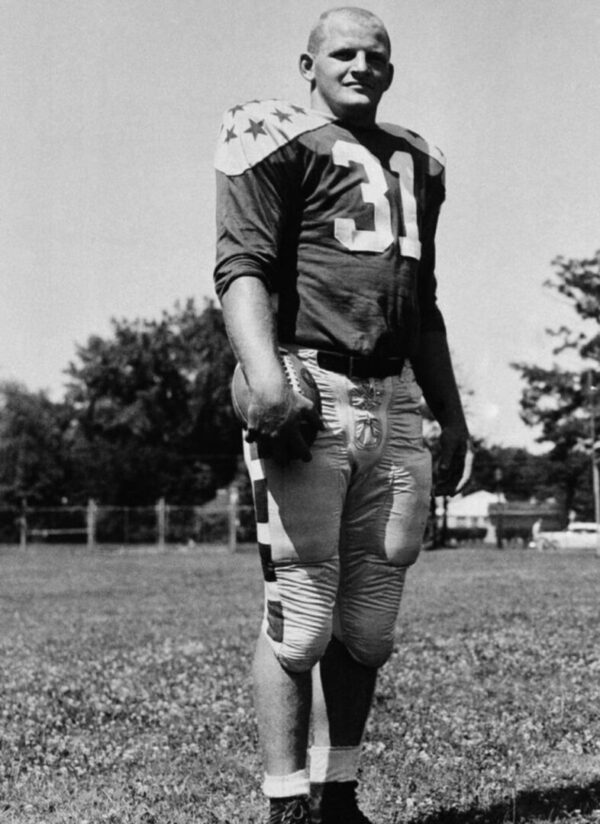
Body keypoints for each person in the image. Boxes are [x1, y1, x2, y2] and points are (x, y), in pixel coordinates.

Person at [213, 7, 470, 823]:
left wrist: (452, 414)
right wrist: (268, 381)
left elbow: (421, 304)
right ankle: (286, 798)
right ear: (308, 65)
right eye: (343, 53)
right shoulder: (276, 141)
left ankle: (339, 792)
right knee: (302, 615)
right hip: (312, 384)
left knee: (369, 621)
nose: (361, 66)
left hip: (393, 392)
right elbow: (242, 269)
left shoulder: (416, 159)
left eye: (376, 54)